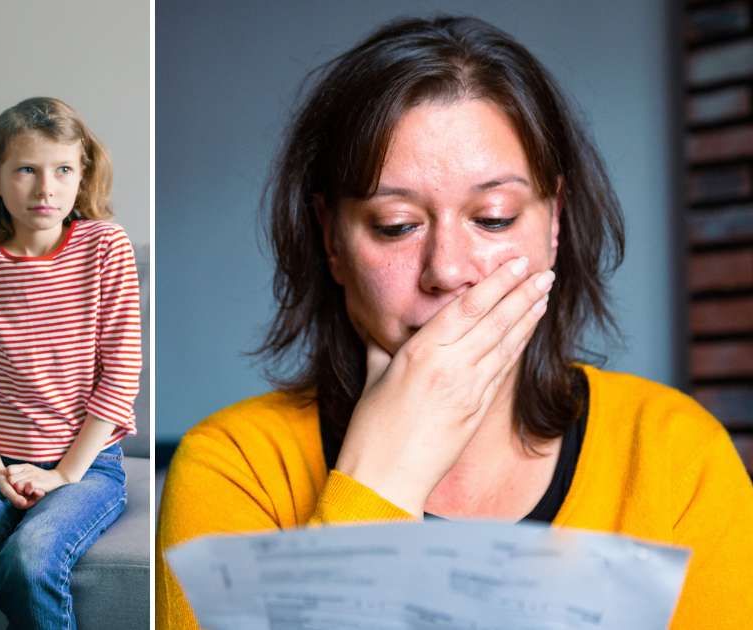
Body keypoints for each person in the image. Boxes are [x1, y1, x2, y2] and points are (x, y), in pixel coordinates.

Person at [156, 16, 753, 629]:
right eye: (396, 224)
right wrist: (380, 482)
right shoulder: (234, 466)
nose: (446, 270)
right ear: (332, 239)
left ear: (554, 224)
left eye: (492, 218)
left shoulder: (675, 454)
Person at [0, 97, 142, 630]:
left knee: (30, 559)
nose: (46, 188)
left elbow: (122, 370)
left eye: (63, 170)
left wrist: (62, 474)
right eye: (26, 170)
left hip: (89, 465)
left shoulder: (105, 246)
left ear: (82, 176)